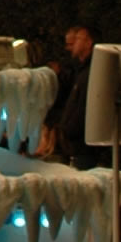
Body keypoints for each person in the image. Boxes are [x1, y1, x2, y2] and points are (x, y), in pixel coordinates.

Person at [39, 25, 98, 166]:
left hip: (82, 144)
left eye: (77, 39)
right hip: (75, 142)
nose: (71, 45)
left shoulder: (90, 72)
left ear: (88, 43)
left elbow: (82, 106)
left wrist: (69, 129)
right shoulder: (80, 71)